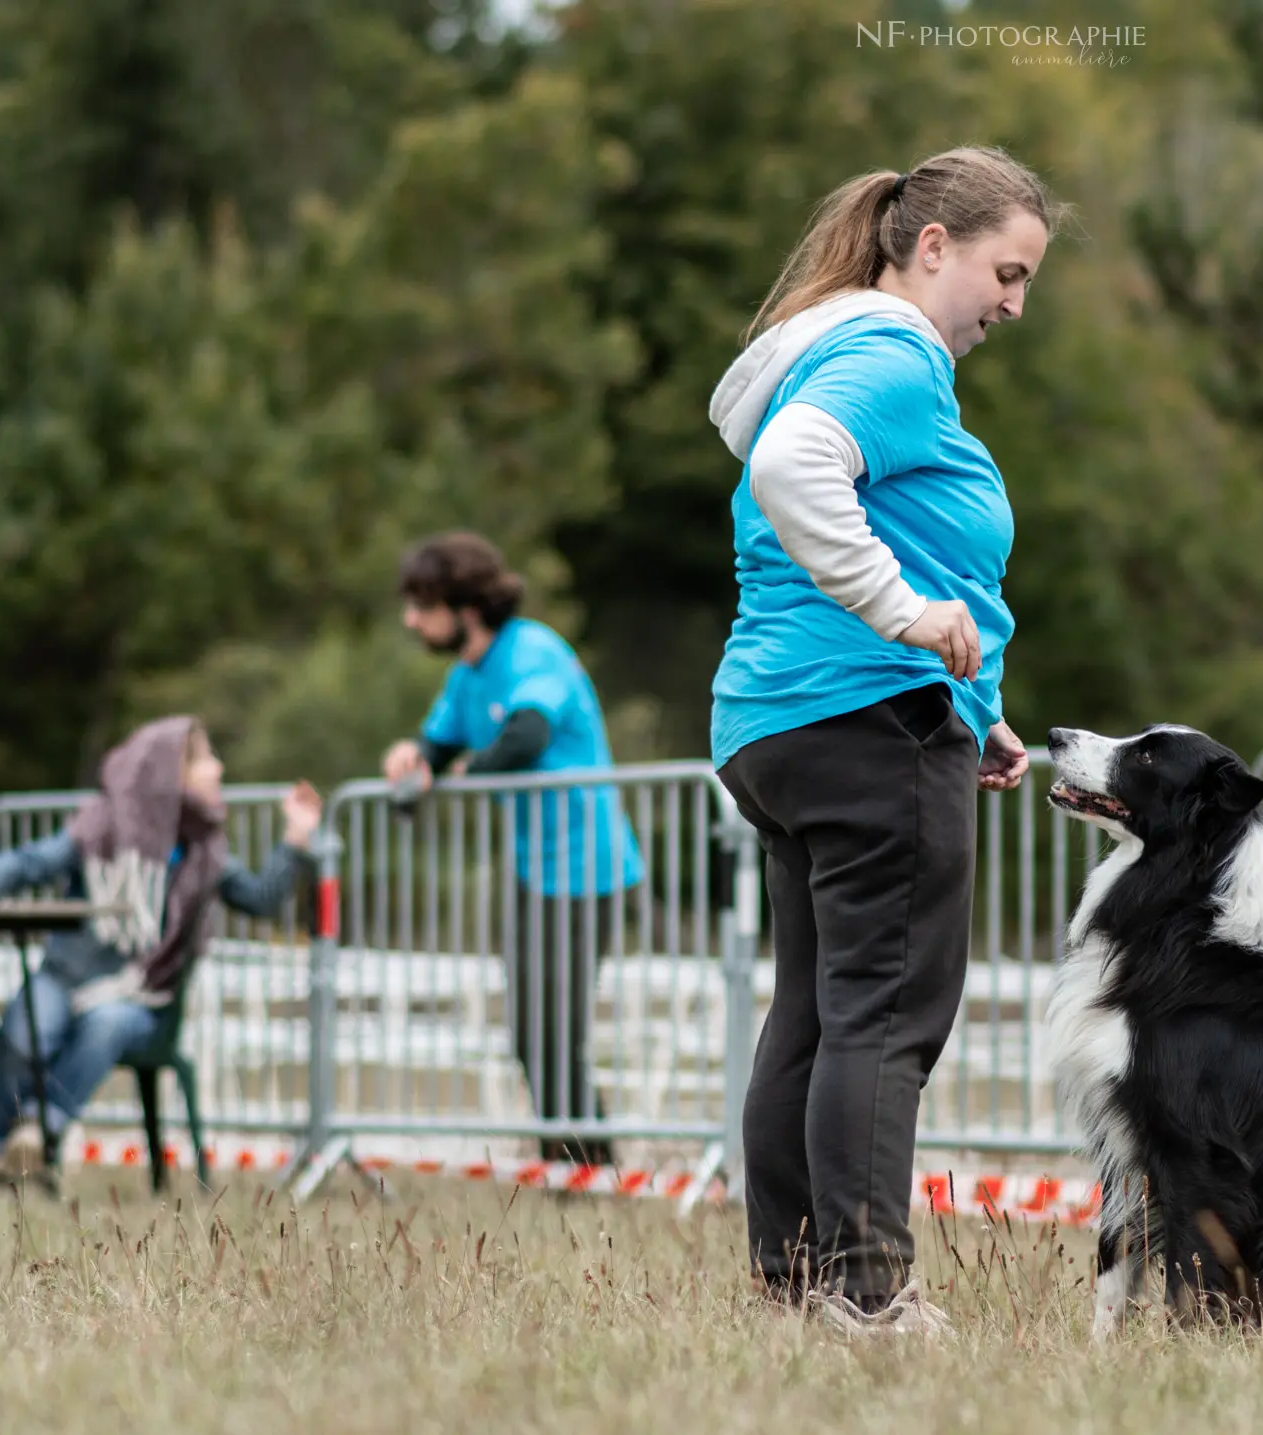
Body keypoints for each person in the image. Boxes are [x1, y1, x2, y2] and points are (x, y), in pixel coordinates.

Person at [707, 146, 1053, 1330]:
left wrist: (979, 704)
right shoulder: (893, 351)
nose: (1013, 303)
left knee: (813, 1011)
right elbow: (797, 465)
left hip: (781, 720)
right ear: (933, 247)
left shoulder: (834, 345)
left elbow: (894, 524)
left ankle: (791, 1286)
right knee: (886, 1015)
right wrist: (904, 619)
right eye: (1005, 272)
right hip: (866, 715)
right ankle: (866, 1294)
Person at [381, 531, 643, 1169]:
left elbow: (528, 732)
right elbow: (435, 745)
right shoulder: (468, 674)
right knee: (531, 1035)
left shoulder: (532, 648)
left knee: (556, 1032)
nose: (410, 620)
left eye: (422, 604)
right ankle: (576, 1169)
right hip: (533, 871)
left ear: (463, 607)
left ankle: (591, 1171)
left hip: (589, 870)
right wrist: (410, 765)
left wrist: (472, 771)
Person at [0, 718, 321, 1184]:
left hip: (143, 997)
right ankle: (1, 1154)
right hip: (66, 974)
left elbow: (259, 897)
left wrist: (295, 839)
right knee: (23, 1029)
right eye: (204, 759)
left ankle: (40, 1134)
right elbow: (32, 864)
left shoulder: (203, 848)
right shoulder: (100, 826)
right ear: (166, 771)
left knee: (107, 1022)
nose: (217, 768)